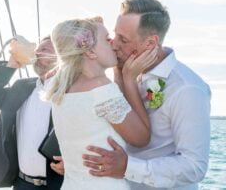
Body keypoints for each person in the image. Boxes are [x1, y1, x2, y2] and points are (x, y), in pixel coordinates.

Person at [82, 0, 211, 190]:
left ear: (150, 43)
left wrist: (128, 167)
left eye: (123, 39)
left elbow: (194, 167)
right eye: (115, 35)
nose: (114, 44)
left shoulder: (187, 89)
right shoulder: (126, 71)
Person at [45, 16, 155, 190]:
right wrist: (130, 80)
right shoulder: (101, 88)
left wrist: (118, 72)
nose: (113, 43)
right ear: (89, 52)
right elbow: (142, 138)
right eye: (107, 39)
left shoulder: (62, 90)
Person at [0, 36, 64, 190]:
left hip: (60, 185)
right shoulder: (21, 87)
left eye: (44, 49)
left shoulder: (71, 90)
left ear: (61, 56)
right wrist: (12, 65)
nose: (37, 53)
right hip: (22, 184)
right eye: (37, 50)